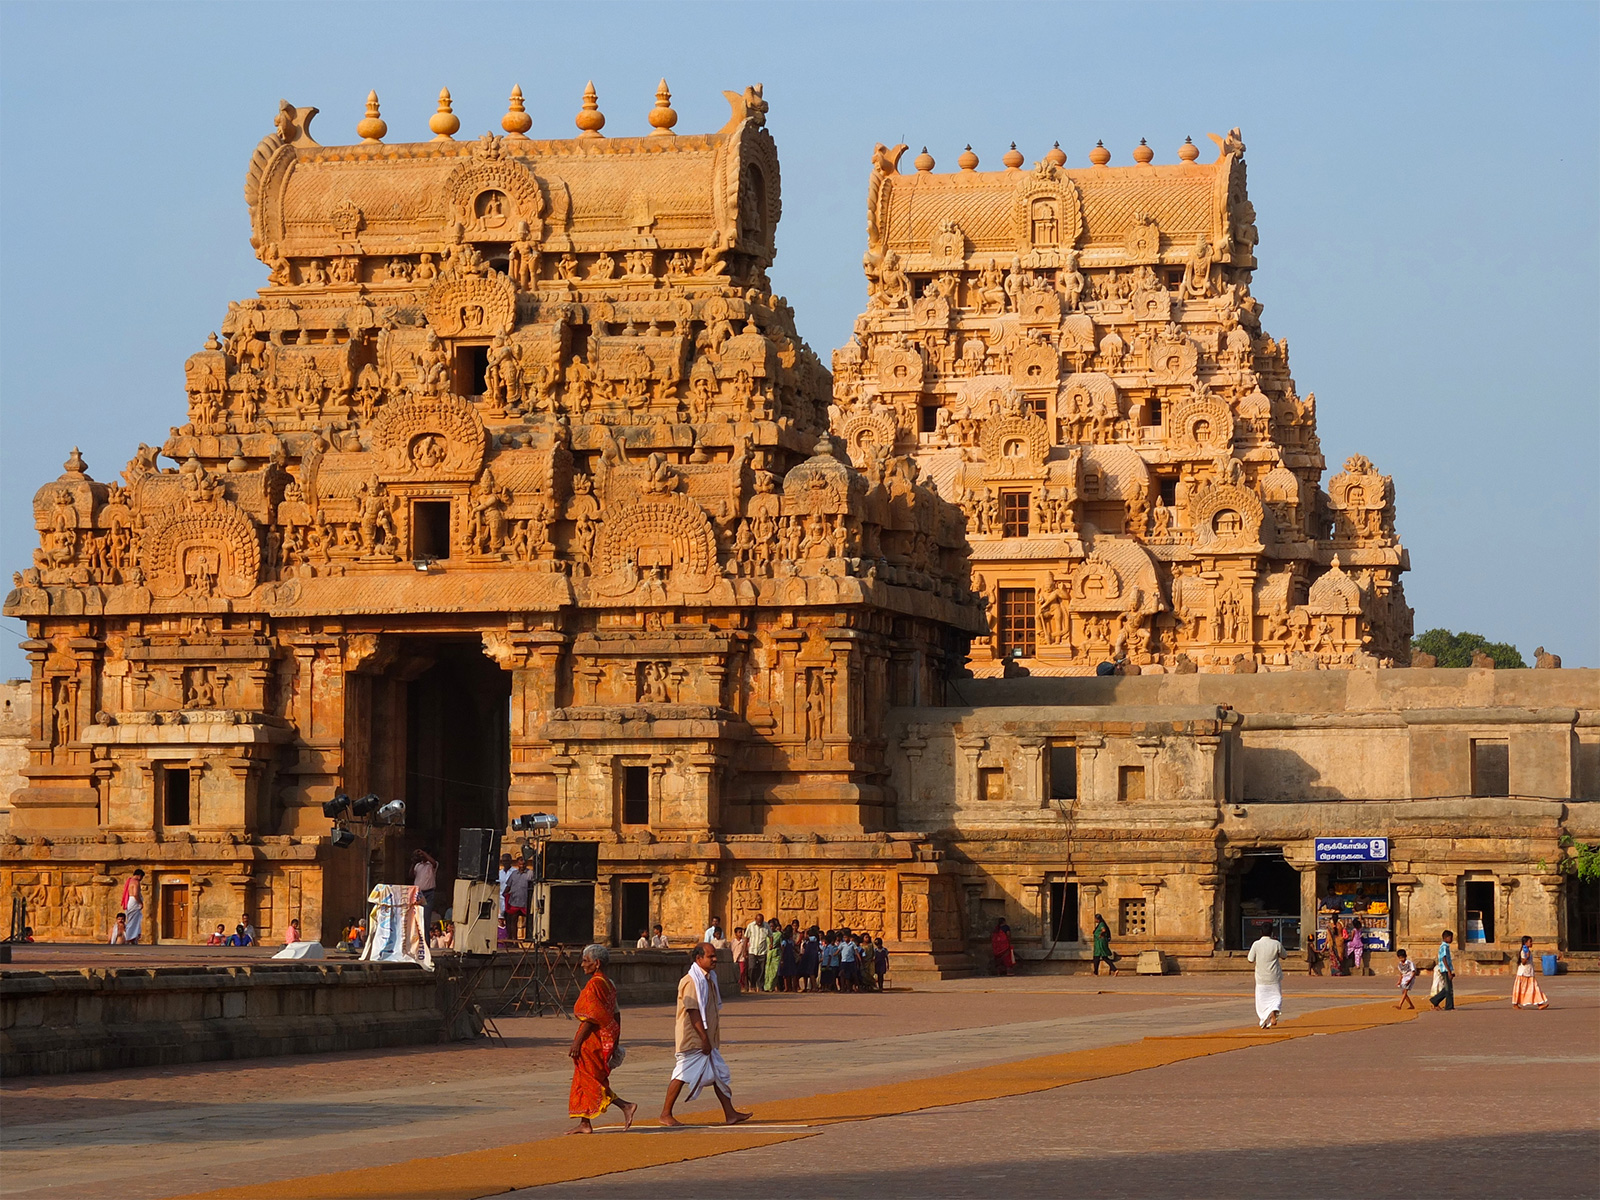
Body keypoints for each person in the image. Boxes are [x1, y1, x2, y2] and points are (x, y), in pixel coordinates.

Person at [660, 942, 750, 1127]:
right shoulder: (691, 981)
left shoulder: (709, 978)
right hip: (694, 1037)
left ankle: (730, 1112)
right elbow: (693, 1012)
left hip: (707, 1037)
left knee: (717, 1072)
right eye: (711, 956)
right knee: (682, 1073)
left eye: (715, 956)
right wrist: (704, 1039)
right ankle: (665, 1113)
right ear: (698, 959)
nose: (715, 959)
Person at [568, 944, 637, 1134]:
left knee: (590, 1080)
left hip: (592, 1039)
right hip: (605, 1037)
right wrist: (615, 1040)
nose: (582, 965)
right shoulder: (609, 984)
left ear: (596, 964)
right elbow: (616, 1014)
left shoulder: (594, 985)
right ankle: (585, 1122)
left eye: (585, 961)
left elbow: (591, 1018)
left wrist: (577, 1042)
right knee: (586, 1078)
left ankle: (625, 1105)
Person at [1248, 925, 1285, 1028]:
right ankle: (1273, 1012)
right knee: (1276, 996)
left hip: (1261, 977)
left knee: (1261, 1000)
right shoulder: (1276, 944)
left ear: (1261, 932)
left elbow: (1250, 959)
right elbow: (1284, 955)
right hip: (1274, 976)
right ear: (1272, 933)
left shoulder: (1256, 944)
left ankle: (1264, 1018)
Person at [1512, 936, 1550, 1009]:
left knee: (1535, 988)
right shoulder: (1524, 951)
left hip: (1529, 973)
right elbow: (1523, 962)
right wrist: (1527, 956)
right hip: (1523, 973)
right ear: (1525, 943)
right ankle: (1515, 1004)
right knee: (1520, 989)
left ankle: (1540, 1004)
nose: (1531, 943)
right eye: (1530, 942)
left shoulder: (1528, 951)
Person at [502, 855, 534, 942]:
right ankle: (513, 940)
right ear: (517, 864)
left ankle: (530, 938)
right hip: (514, 902)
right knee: (512, 920)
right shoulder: (513, 874)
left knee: (531, 920)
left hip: (526, 902)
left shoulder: (530, 873)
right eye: (520, 864)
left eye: (524, 864)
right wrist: (504, 893)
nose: (522, 866)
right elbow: (508, 886)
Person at [411, 849, 439, 930]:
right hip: (418, 893)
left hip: (428, 893)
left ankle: (426, 939)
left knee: (426, 917)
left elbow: (433, 862)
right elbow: (411, 875)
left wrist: (423, 852)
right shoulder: (417, 866)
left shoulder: (432, 865)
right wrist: (413, 862)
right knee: (416, 916)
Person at [1429, 929, 1456, 1012]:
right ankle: (1447, 1005)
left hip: (1446, 969)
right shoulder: (1444, 947)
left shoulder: (1445, 946)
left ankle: (1436, 1000)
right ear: (1446, 937)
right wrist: (1448, 971)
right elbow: (1444, 959)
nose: (1452, 940)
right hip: (1445, 969)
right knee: (1448, 989)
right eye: (1451, 938)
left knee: (1449, 988)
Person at [744, 913, 769, 991]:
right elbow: (746, 938)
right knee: (751, 967)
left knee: (761, 969)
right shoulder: (750, 926)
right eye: (758, 922)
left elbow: (770, 935)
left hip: (762, 951)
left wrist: (770, 944)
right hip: (752, 950)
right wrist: (745, 950)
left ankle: (760, 985)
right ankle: (752, 983)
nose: (759, 923)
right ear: (755, 919)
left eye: (761, 922)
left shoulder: (766, 926)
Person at [120, 869, 145, 943]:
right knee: (133, 920)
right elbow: (135, 894)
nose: (141, 879)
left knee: (132, 919)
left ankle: (132, 937)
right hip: (134, 901)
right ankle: (130, 937)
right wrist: (140, 903)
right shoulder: (136, 882)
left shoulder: (129, 881)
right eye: (141, 877)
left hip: (130, 901)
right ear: (139, 875)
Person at [762, 919, 782, 992]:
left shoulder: (779, 934)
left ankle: (771, 986)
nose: (771, 928)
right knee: (767, 971)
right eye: (770, 926)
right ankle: (766, 987)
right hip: (768, 954)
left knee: (774, 972)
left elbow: (781, 945)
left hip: (776, 954)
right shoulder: (766, 934)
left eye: (773, 926)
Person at [496, 853, 514, 918]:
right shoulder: (499, 873)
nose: (505, 863)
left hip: (511, 900)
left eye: (507, 861)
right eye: (504, 861)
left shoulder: (515, 872)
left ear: (510, 861)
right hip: (501, 901)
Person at [732, 926, 749, 991]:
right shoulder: (733, 942)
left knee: (742, 972)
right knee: (735, 973)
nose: (741, 934)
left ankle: (742, 985)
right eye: (739, 932)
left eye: (741, 932)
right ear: (736, 933)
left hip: (741, 959)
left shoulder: (743, 942)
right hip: (735, 959)